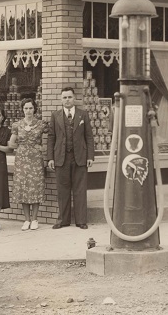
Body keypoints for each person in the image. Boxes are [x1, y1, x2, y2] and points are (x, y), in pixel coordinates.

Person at [46, 86, 95, 229]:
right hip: (61, 157)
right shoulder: (55, 115)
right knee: (62, 190)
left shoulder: (83, 114)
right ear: (61, 100)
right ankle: (63, 220)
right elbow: (51, 137)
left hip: (79, 156)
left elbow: (89, 136)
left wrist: (90, 156)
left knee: (80, 189)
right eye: (64, 97)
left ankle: (81, 221)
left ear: (74, 98)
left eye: (69, 97)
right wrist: (50, 158)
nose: (67, 100)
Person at [11, 97, 47, 231]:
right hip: (21, 158)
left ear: (34, 109)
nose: (28, 111)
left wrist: (42, 147)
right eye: (25, 108)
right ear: (22, 110)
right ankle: (26, 219)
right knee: (23, 187)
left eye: (30, 108)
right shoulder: (17, 125)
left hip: (36, 158)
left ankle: (35, 219)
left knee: (35, 186)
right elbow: (11, 142)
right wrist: (20, 145)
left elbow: (52, 136)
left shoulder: (41, 124)